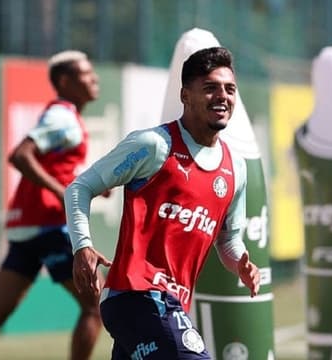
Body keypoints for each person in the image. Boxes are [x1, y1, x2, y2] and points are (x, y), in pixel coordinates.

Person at [64, 47, 261, 359]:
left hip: (169, 303)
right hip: (139, 296)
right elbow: (80, 187)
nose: (222, 96)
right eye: (210, 88)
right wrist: (82, 246)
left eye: (229, 89)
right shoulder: (154, 145)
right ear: (185, 95)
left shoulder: (235, 168)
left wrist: (241, 263)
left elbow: (228, 239)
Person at [0, 50, 103, 360]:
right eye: (86, 74)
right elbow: (21, 155)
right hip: (49, 224)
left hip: (26, 228)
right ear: (65, 81)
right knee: (98, 306)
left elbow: (55, 166)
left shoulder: (65, 117)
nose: (94, 79)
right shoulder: (63, 116)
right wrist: (63, 193)